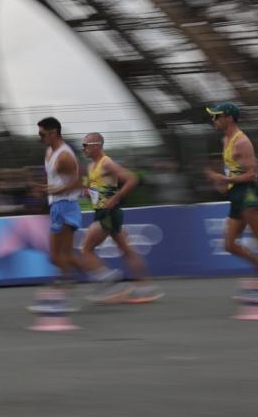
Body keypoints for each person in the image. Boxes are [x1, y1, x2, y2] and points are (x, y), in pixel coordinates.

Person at [202, 103, 258, 292]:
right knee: (229, 245)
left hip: (249, 193)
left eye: (217, 116)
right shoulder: (225, 139)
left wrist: (224, 178)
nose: (214, 120)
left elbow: (253, 175)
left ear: (229, 118)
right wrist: (223, 185)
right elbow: (234, 169)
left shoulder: (242, 142)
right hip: (237, 194)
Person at [79, 134, 162, 304]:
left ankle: (109, 279)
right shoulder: (91, 166)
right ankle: (145, 288)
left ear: (96, 145)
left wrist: (116, 197)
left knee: (86, 249)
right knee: (127, 251)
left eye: (85, 144)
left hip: (108, 213)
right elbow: (97, 190)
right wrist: (87, 193)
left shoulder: (107, 163)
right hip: (104, 211)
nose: (83, 148)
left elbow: (132, 179)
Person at [34, 117, 88, 306]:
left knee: (60, 256)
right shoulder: (50, 151)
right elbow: (58, 180)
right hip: (57, 205)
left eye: (42, 134)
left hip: (66, 205)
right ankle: (101, 277)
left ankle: (68, 290)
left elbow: (80, 182)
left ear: (54, 132)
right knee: (59, 256)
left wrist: (55, 190)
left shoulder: (64, 155)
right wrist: (47, 188)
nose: (39, 138)